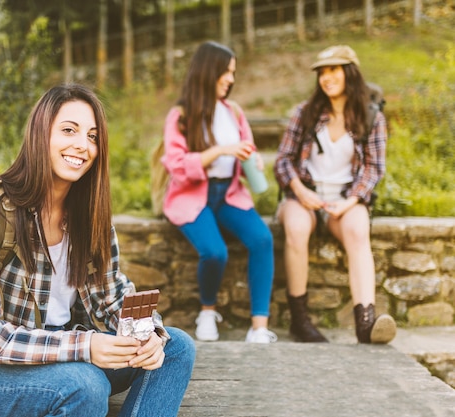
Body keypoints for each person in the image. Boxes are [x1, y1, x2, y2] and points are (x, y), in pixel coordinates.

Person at [0, 83, 196, 417]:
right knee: (85, 384)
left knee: (176, 347)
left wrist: (149, 335)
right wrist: (86, 347)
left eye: (93, 136)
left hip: (63, 352)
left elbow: (111, 299)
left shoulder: (90, 218)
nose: (82, 145)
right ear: (41, 134)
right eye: (69, 130)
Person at [274, 45, 397, 344]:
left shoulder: (370, 117)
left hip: (345, 197)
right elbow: (283, 161)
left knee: (358, 229)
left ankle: (365, 323)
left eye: (333, 70)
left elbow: (374, 168)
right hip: (304, 195)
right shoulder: (305, 113)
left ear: (349, 73)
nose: (326, 77)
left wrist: (350, 202)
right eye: (322, 72)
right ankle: (300, 320)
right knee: (297, 227)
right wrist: (301, 192)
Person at [161, 41, 277, 344]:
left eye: (233, 73)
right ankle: (207, 311)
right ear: (208, 70)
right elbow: (175, 165)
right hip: (191, 195)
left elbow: (246, 147)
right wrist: (219, 151)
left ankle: (259, 327)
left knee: (262, 239)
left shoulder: (234, 112)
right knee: (214, 252)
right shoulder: (181, 116)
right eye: (226, 72)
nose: (230, 79)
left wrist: (254, 158)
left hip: (230, 194)